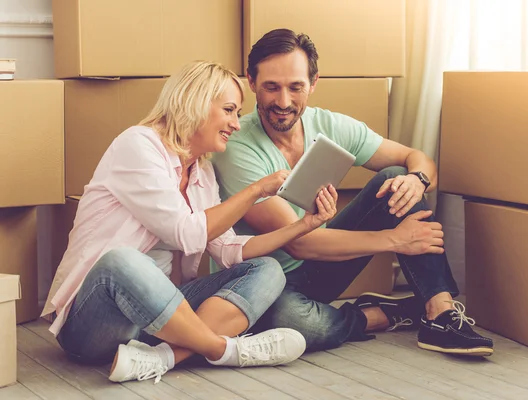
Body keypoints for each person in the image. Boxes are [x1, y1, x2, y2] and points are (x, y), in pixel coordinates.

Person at [41, 60, 339, 384]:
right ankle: (226, 350)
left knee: (267, 269)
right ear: (195, 101)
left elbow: (226, 249)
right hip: (92, 324)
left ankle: (164, 357)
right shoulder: (139, 145)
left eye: (237, 114)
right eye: (228, 110)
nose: (236, 124)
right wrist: (256, 190)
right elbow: (186, 233)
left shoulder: (202, 173)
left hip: (157, 324)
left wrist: (303, 226)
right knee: (122, 261)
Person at [211, 29, 494, 356]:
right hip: (266, 280)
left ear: (314, 83)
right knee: (293, 322)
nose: (283, 102)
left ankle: (440, 312)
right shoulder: (237, 146)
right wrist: (396, 239)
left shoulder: (330, 125)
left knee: (398, 178)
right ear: (251, 81)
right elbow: (299, 243)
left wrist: (416, 179)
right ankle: (385, 314)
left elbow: (417, 159)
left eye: (296, 87)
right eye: (271, 87)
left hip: (324, 264)